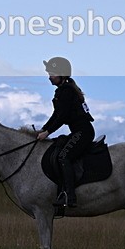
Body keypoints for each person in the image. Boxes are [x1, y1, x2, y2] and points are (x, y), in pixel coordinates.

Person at [36, 57, 95, 208]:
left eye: (52, 73)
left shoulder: (67, 91)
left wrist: (48, 132)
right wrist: (43, 128)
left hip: (83, 132)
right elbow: (56, 115)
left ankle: (70, 196)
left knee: (63, 156)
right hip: (78, 131)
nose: (49, 77)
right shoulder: (62, 91)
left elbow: (62, 117)